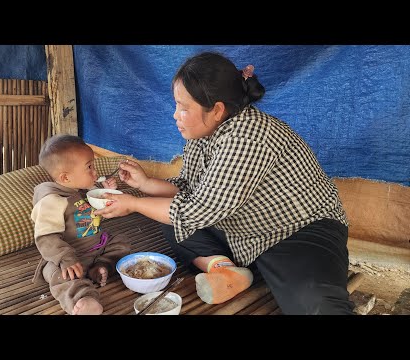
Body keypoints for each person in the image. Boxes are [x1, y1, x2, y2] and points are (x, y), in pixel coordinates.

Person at [95, 51, 355, 315]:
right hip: (240, 228)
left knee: (317, 304)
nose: (175, 115)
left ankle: (251, 271)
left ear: (217, 109)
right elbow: (190, 190)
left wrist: (134, 203)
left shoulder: (248, 138)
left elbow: (194, 211)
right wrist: (146, 183)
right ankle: (227, 271)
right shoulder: (203, 133)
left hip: (295, 232)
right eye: (176, 105)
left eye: (183, 108)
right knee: (169, 220)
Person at [31, 134, 130, 315]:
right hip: (69, 258)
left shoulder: (82, 189)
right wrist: (66, 259)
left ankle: (100, 267)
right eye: (89, 167)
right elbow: (46, 237)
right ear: (65, 178)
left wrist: (106, 191)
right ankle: (83, 299)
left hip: (97, 246)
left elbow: (94, 206)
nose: (95, 172)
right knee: (59, 276)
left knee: (120, 241)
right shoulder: (52, 201)